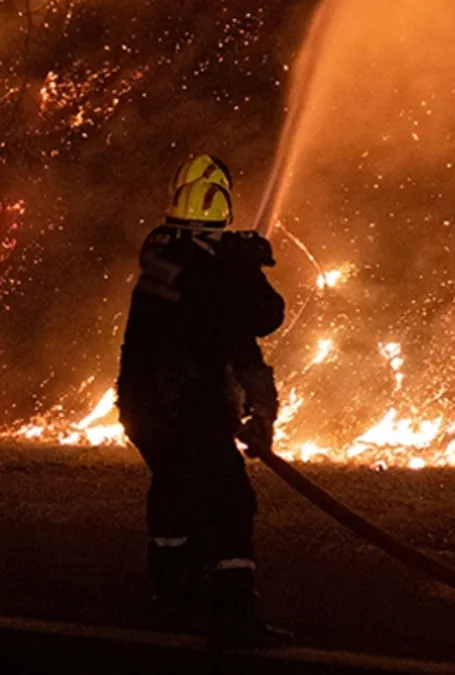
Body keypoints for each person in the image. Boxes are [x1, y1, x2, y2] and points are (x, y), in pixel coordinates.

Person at [116, 162, 291, 648]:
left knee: (172, 486)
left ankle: (170, 591)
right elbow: (248, 335)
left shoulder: (163, 258)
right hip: (188, 404)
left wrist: (235, 264)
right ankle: (234, 611)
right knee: (230, 499)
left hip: (141, 404)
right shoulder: (213, 277)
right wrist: (263, 412)